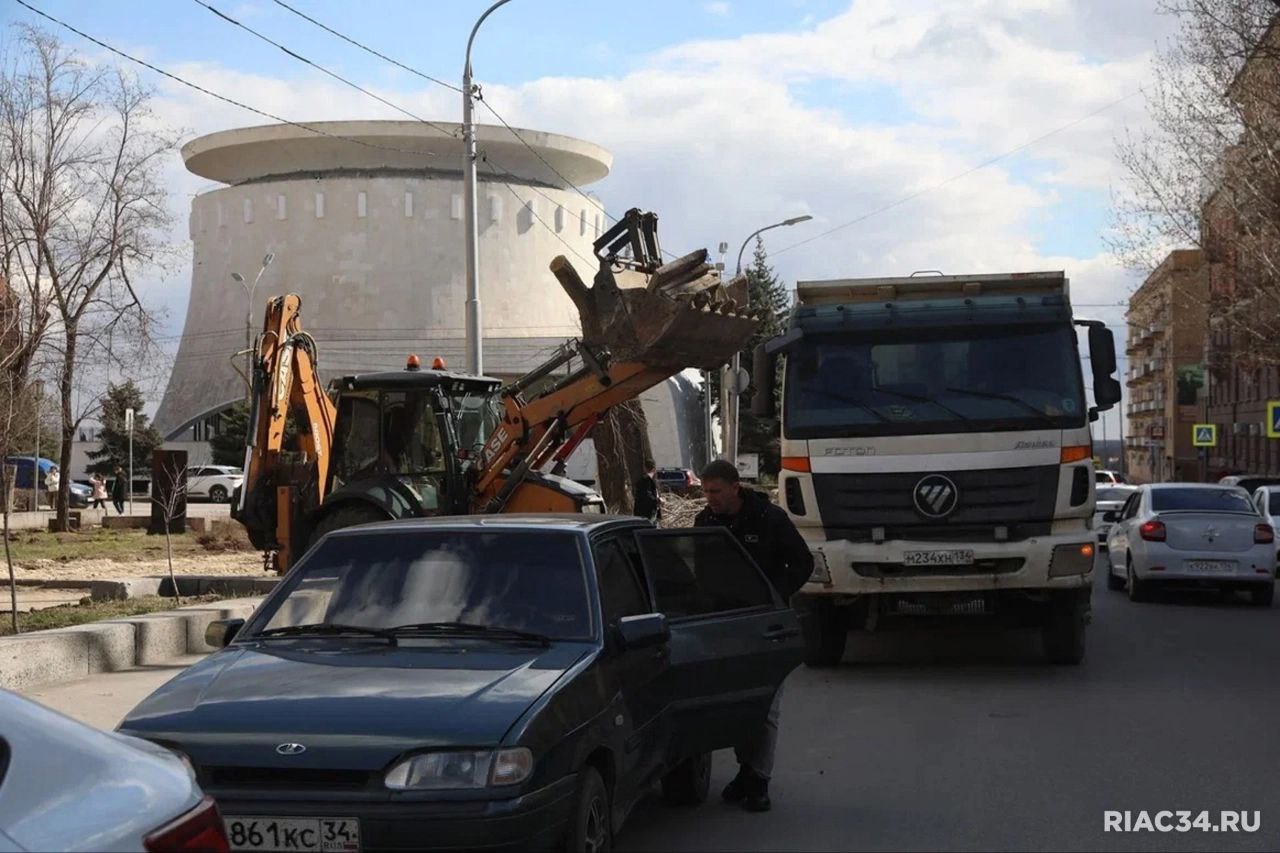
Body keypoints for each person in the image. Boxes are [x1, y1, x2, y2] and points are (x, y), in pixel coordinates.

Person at [694, 458, 813, 813]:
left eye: (715, 491)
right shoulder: (705, 523)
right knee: (736, 703)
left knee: (765, 706)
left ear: (735, 487)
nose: (710, 498)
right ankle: (746, 770)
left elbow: (803, 563)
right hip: (725, 626)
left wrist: (774, 598)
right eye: (705, 492)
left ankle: (759, 780)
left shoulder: (769, 519)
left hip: (766, 625)